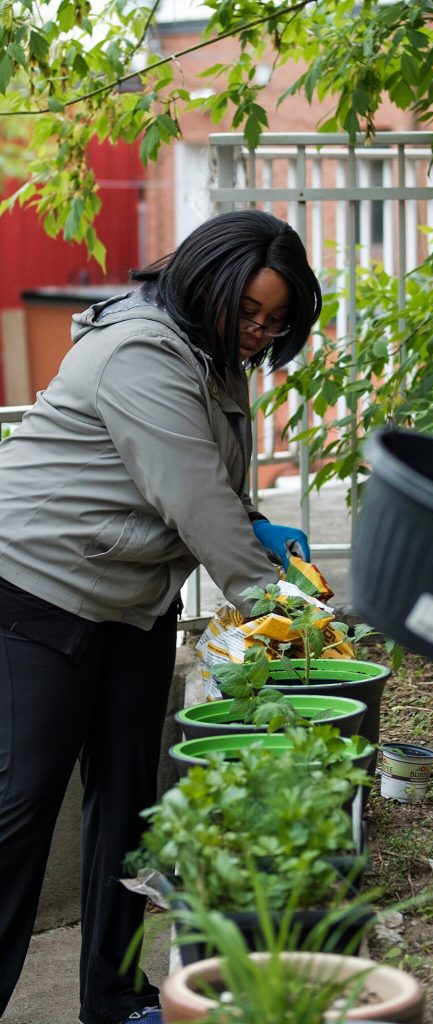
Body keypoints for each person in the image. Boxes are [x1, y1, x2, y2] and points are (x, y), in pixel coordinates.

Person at [0, 209, 322, 1024]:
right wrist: (276, 613)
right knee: (22, 807)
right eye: (248, 312)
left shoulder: (213, 359)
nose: (258, 332)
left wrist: (258, 530)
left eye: (276, 321)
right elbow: (190, 497)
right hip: (37, 591)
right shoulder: (139, 350)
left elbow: (215, 489)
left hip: (131, 600)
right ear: (207, 286)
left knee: (129, 804)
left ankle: (112, 1000)